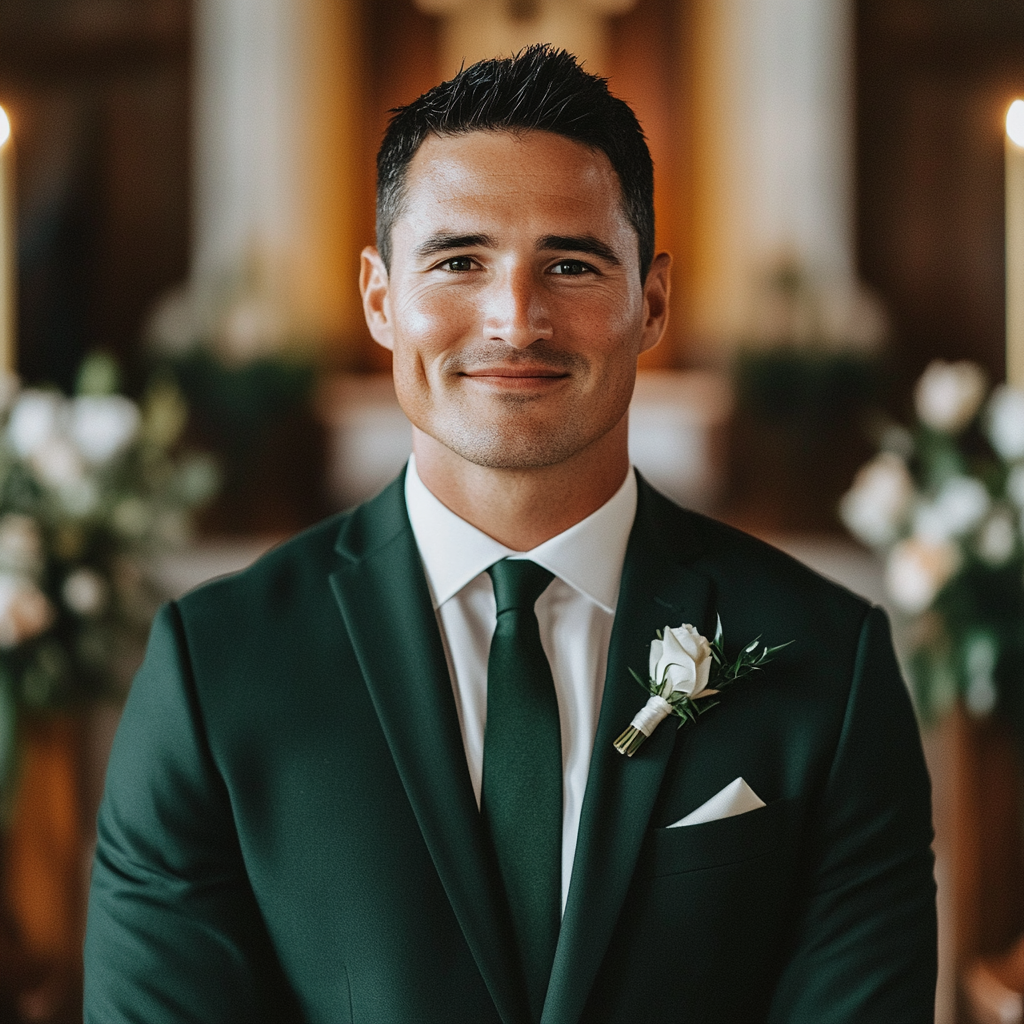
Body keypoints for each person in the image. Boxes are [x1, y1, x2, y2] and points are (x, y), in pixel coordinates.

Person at [84, 45, 937, 1023]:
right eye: (458, 261)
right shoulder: (215, 668)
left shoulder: (830, 662)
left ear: (650, 300)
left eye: (570, 264)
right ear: (378, 296)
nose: (514, 318)